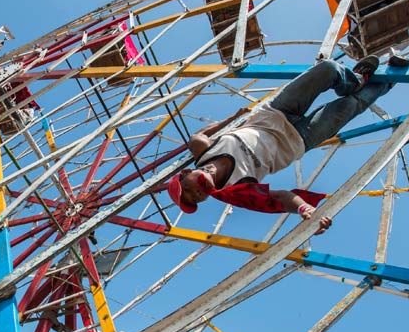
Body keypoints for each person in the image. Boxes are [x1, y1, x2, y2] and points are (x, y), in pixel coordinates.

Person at [167, 56, 395, 229]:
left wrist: (231, 119)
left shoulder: (203, 150)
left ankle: (355, 79)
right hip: (299, 139)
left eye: (188, 189)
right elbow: (279, 199)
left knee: (326, 69)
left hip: (275, 113)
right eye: (197, 199)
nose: (197, 193)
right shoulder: (235, 190)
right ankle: (388, 81)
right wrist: (304, 208)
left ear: (185, 173)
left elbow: (198, 135)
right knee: (349, 106)